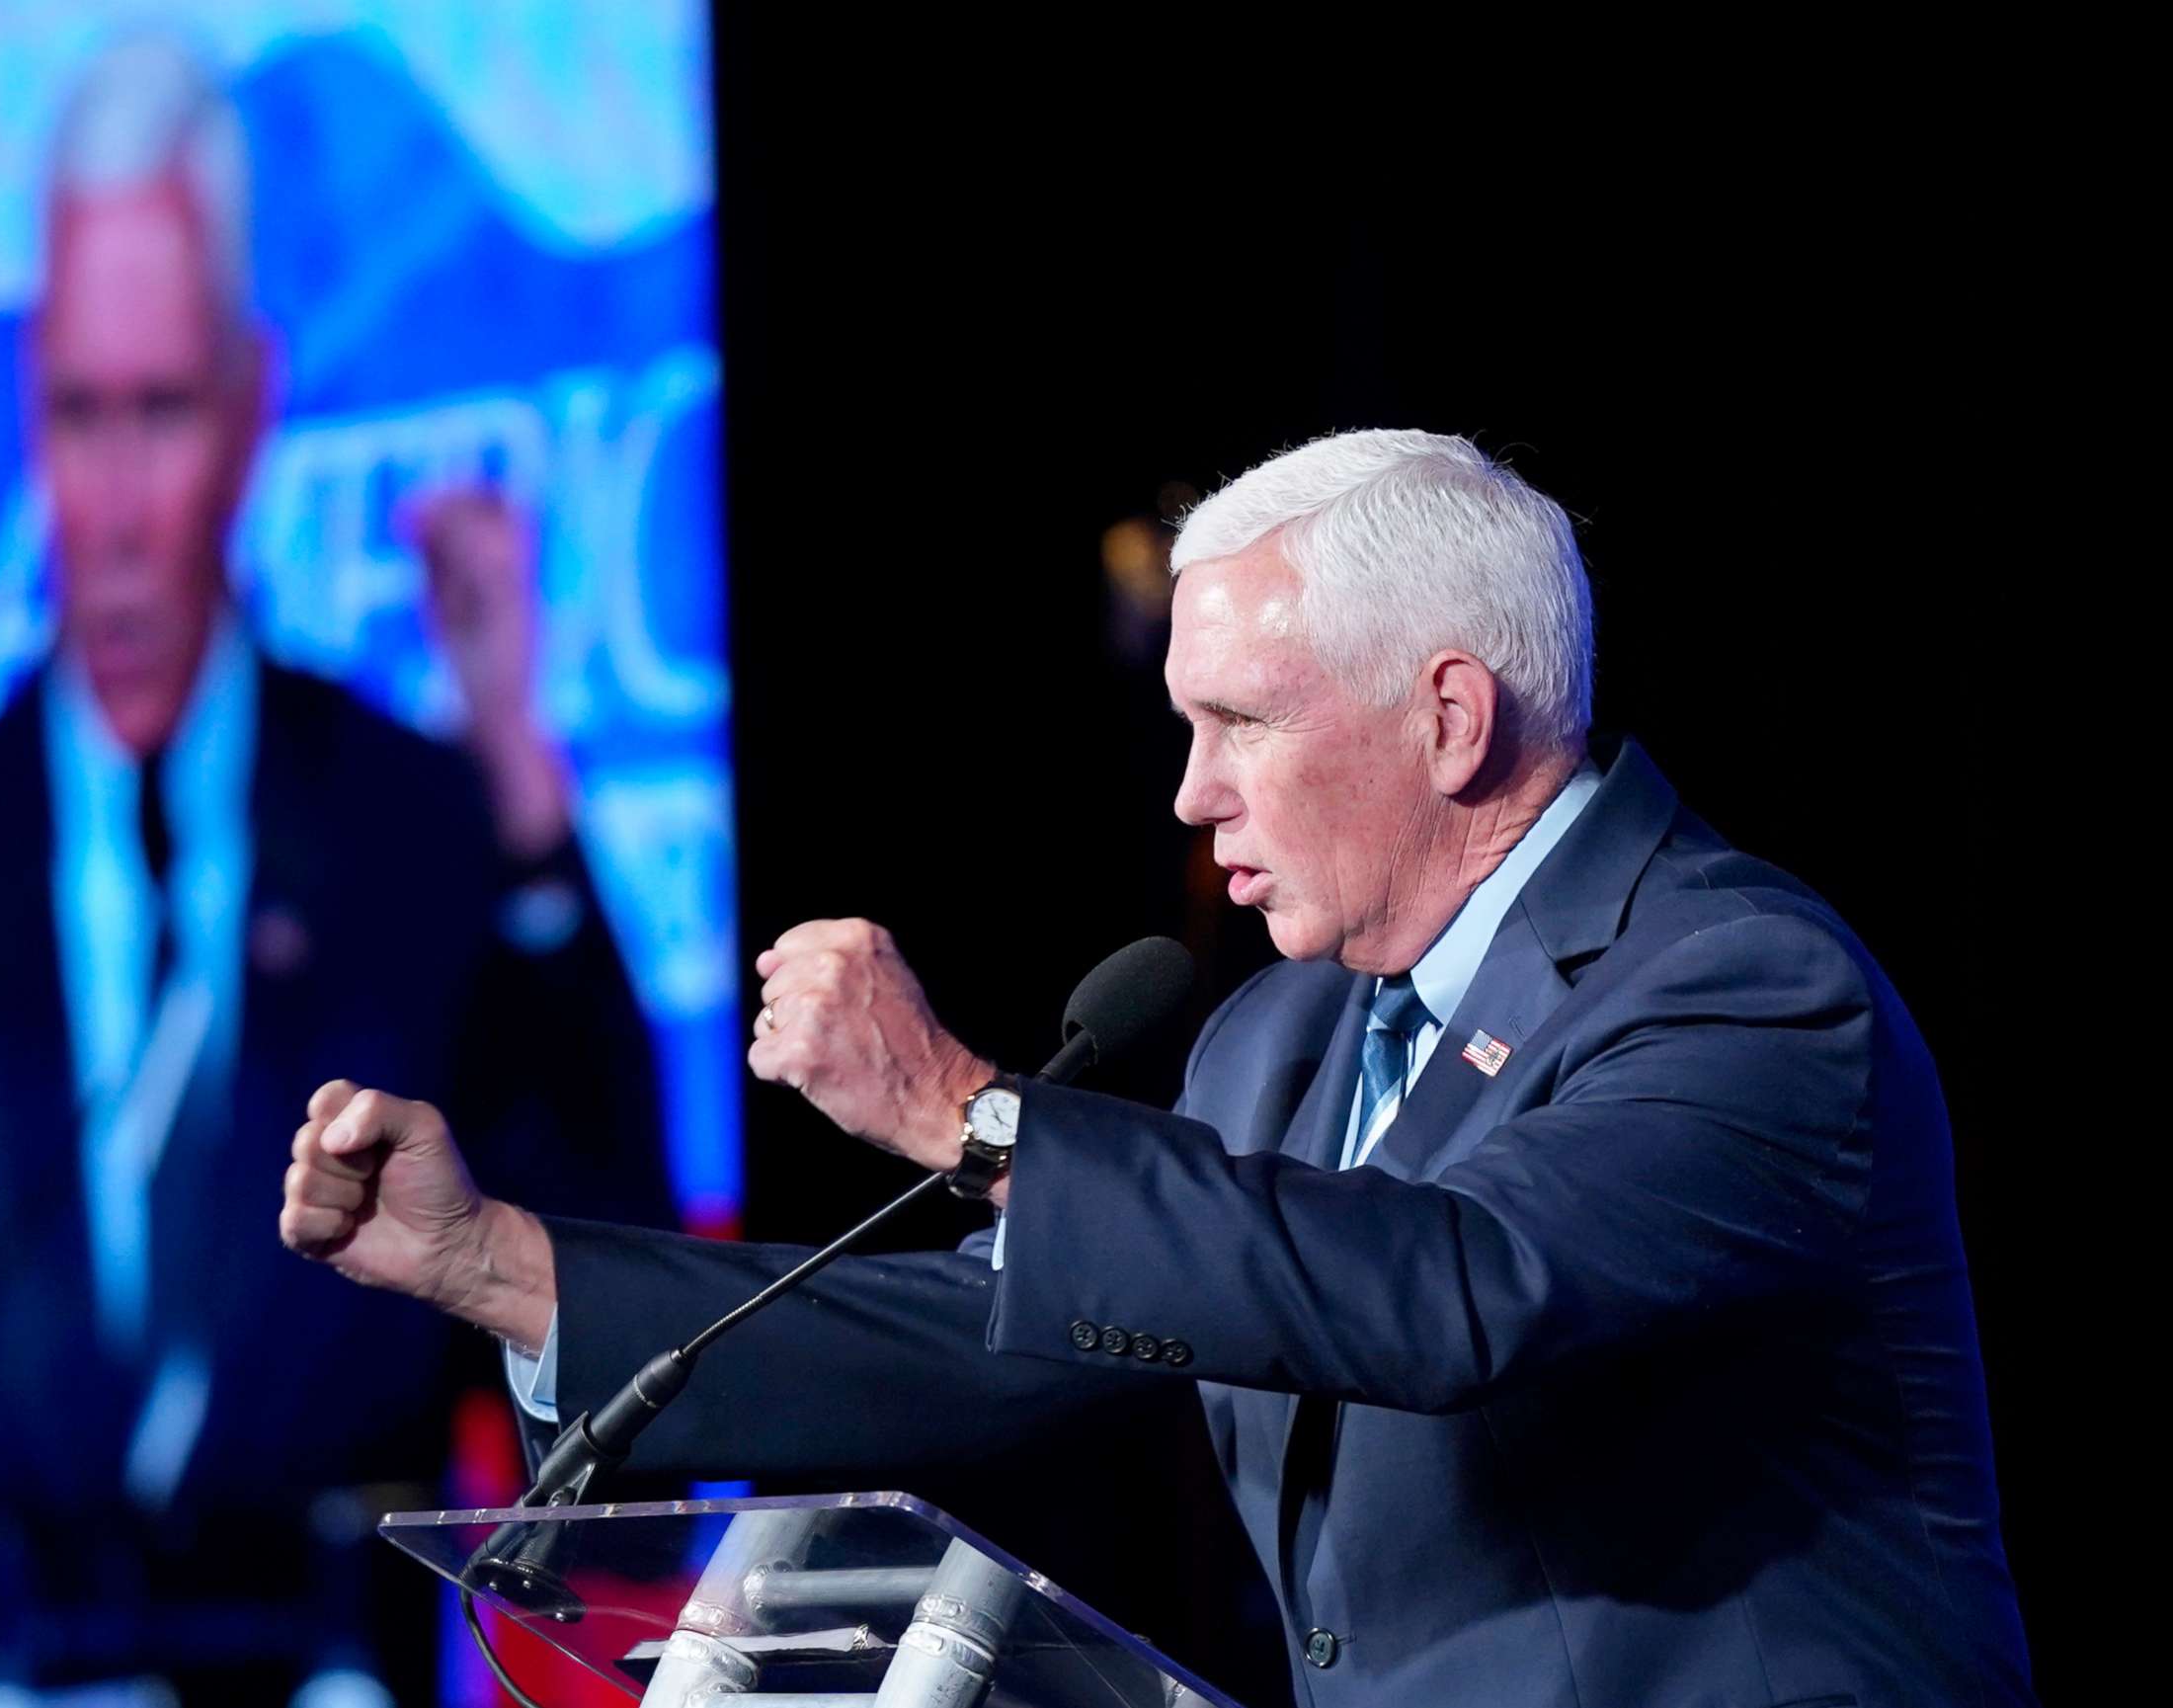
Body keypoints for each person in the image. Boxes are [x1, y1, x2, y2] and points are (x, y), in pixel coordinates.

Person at [283, 430, 2037, 1706]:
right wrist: (492, 1265)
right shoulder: (1284, 1034)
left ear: (1449, 715)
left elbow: (1454, 1286)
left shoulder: (1741, 982)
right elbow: (997, 1336)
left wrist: (970, 1111)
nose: (1192, 794)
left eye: (1242, 725)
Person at [0, 35, 672, 1706]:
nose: (122, 503)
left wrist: (522, 784)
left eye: (164, 412)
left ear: (252, 404)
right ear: (27, 410)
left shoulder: (421, 824)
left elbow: (616, 1315)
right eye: (81, 416)